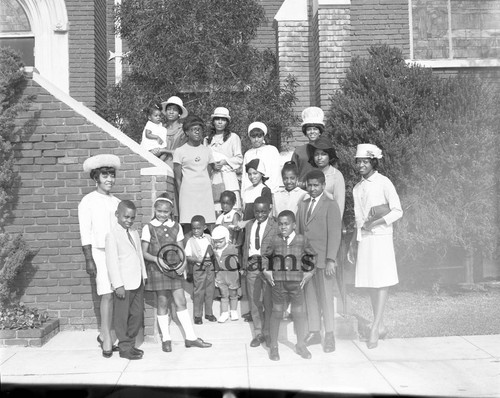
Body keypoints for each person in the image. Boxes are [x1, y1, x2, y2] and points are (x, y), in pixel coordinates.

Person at [141, 195, 212, 352]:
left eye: (166, 211)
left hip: (175, 269)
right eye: (159, 211)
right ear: (155, 210)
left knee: (181, 301)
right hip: (158, 269)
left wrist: (184, 264)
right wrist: (157, 260)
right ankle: (166, 339)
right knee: (162, 302)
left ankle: (191, 337)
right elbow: (144, 252)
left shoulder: (177, 226)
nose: (162, 214)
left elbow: (180, 249)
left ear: (171, 211)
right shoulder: (149, 227)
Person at [352, 143, 402, 349]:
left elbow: (397, 211)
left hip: (381, 237)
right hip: (365, 239)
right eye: (359, 161)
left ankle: (374, 327)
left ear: (373, 162)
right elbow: (358, 218)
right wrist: (355, 242)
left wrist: (377, 222)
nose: (361, 165)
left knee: (382, 280)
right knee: (371, 282)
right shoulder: (357, 188)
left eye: (365, 161)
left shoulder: (384, 182)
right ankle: (379, 325)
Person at [78, 154, 121, 357]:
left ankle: (107, 334)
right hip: (99, 253)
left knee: (117, 294)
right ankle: (106, 338)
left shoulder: (117, 202)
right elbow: (85, 231)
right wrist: (89, 259)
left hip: (117, 254)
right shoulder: (88, 201)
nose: (109, 179)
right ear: (96, 177)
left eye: (112, 175)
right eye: (105, 175)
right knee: (106, 294)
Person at [296, 169, 342, 353]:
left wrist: (331, 259)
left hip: (324, 260)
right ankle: (315, 331)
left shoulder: (330, 205)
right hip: (307, 261)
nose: (313, 189)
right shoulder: (303, 204)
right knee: (311, 297)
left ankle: (329, 333)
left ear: (323, 186)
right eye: (310, 185)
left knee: (325, 298)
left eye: (316, 185)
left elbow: (335, 234)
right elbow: (300, 232)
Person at [262, 210, 317, 361]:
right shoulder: (275, 240)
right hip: (279, 283)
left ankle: (300, 345)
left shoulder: (301, 240)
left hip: (296, 283)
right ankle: (274, 347)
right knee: (277, 312)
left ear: (293, 225)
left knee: (299, 313)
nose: (283, 227)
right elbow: (265, 256)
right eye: (280, 224)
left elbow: (312, 255)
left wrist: (310, 272)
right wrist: (266, 271)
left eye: (286, 224)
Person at [105, 200, 147, 360]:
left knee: (136, 315)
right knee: (122, 317)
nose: (129, 220)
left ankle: (130, 344)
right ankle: (124, 348)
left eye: (132, 218)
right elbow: (112, 262)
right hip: (123, 284)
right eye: (126, 217)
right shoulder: (112, 235)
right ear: (117, 215)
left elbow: (138, 256)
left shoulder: (134, 233)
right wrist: (118, 285)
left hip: (137, 282)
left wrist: (144, 276)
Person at [242, 196, 276, 348]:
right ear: (253, 211)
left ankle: (268, 332)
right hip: (251, 265)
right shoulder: (249, 225)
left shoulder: (274, 225)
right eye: (257, 211)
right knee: (255, 301)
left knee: (268, 302)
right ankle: (258, 333)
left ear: (269, 210)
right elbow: (245, 246)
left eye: (263, 211)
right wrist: (244, 265)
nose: (260, 214)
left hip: (267, 265)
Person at [173, 114, 216, 231]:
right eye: (194, 130)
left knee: (207, 226)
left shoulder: (207, 150)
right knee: (188, 227)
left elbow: (209, 172)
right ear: (187, 132)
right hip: (188, 194)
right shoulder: (180, 151)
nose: (197, 132)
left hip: (205, 193)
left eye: (199, 130)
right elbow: (178, 178)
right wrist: (182, 196)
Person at [205, 107, 243, 212]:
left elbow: (239, 158)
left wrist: (225, 161)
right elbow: (205, 159)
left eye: (223, 119)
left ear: (227, 122)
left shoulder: (233, 137)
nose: (220, 122)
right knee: (216, 209)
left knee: (232, 210)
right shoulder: (207, 139)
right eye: (217, 119)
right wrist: (212, 165)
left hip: (229, 177)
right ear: (213, 121)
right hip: (214, 178)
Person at [184, 215, 217, 324]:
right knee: (198, 291)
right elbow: (187, 256)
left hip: (210, 267)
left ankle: (209, 313)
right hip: (198, 268)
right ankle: (197, 315)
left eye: (198, 228)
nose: (196, 231)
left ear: (204, 227)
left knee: (210, 290)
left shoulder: (209, 237)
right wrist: (196, 259)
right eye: (193, 228)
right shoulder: (190, 241)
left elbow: (214, 250)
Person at [307, 135, 346, 218]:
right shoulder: (312, 174)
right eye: (316, 154)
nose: (319, 158)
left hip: (330, 217)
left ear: (329, 156)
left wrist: (335, 224)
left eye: (323, 154)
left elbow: (340, 203)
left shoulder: (336, 175)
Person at [241, 122, 282, 194]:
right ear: (250, 137)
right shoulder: (248, 154)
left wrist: (271, 191)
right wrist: (244, 194)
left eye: (259, 136)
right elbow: (245, 176)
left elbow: (276, 173)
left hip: (269, 190)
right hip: (251, 192)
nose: (256, 139)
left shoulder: (271, 150)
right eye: (253, 136)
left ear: (263, 136)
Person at [212, 225, 241, 323]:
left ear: (227, 239)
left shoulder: (232, 248)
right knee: (224, 295)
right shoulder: (214, 250)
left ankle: (233, 311)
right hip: (221, 275)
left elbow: (239, 255)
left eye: (221, 241)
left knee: (233, 293)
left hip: (232, 275)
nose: (218, 244)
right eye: (216, 242)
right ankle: (224, 313)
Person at [291, 107, 325, 189]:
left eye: (315, 129)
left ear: (320, 132)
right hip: (302, 192)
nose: (312, 132)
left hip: (322, 191)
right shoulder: (299, 151)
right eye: (309, 129)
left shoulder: (327, 150)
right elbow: (292, 174)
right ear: (305, 132)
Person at [161, 95, 189, 162]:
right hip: (160, 164)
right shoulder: (161, 128)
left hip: (177, 165)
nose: (171, 112)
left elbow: (184, 151)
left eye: (175, 110)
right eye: (169, 109)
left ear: (179, 113)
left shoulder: (183, 130)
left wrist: (164, 151)